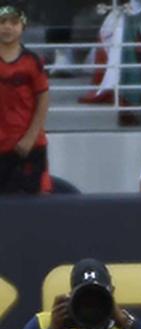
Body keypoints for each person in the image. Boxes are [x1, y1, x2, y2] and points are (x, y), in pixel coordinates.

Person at [17, 258, 141, 329]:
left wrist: (124, 321)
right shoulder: (44, 323)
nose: (91, 305)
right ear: (71, 295)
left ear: (112, 293)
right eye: (84, 298)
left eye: (98, 296)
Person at [0, 3, 51, 195]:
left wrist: (30, 138)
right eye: (2, 22)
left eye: (13, 22)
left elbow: (43, 99)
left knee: (35, 203)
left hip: (29, 147)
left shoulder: (32, 61)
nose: (7, 27)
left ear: (23, 27)